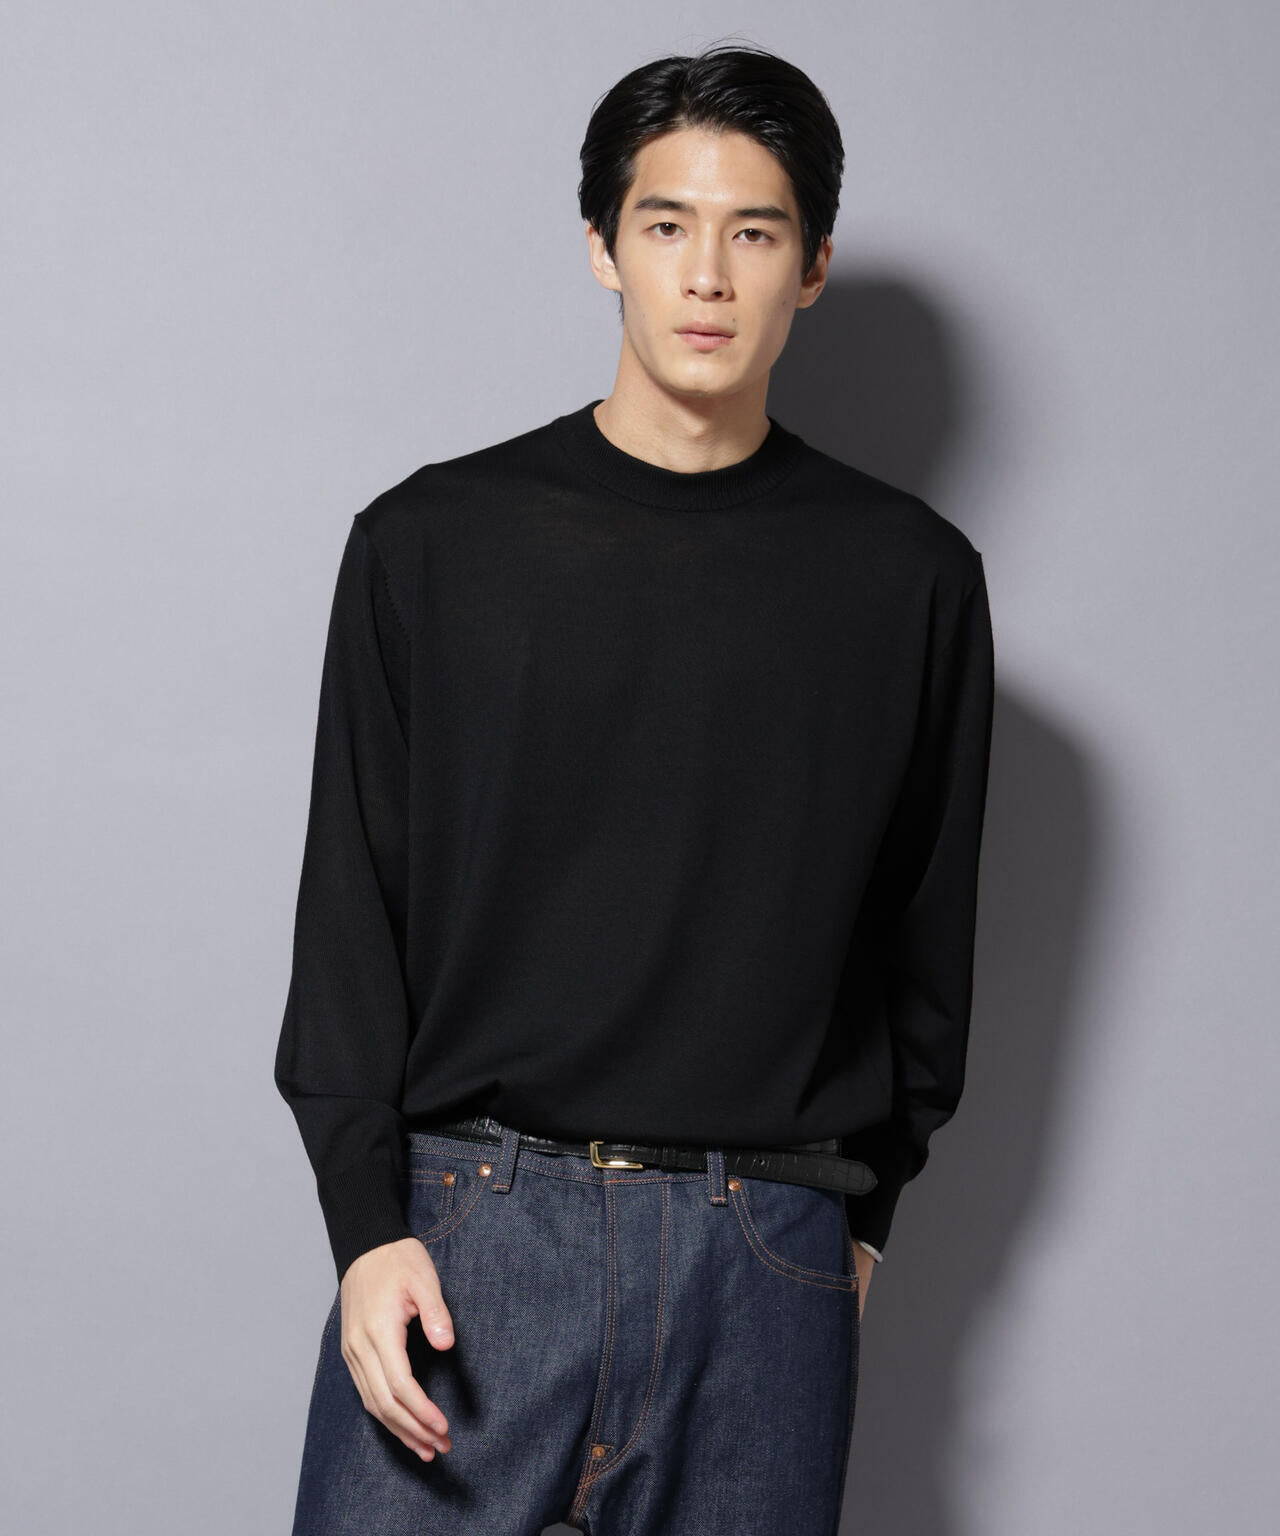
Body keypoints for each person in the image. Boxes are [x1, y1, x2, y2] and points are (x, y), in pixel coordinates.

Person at [274, 40, 995, 1536]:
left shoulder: (910, 581)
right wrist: (364, 1224)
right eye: (667, 224)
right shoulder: (433, 543)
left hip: (767, 1249)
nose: (707, 276)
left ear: (813, 266)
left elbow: (925, 940)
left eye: (756, 233)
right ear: (604, 245)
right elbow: (352, 912)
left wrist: (854, 1226)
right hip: (472, 1240)